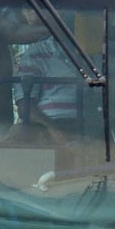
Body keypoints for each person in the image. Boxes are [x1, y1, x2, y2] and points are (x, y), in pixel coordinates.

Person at [8, 8, 83, 143]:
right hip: (48, 124)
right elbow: (25, 106)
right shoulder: (35, 54)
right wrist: (52, 127)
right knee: (16, 135)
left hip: (96, 125)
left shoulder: (105, 54)